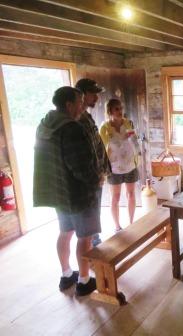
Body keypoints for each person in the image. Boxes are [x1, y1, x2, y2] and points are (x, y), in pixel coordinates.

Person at [33, 86, 100, 296]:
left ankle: (66, 274)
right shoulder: (71, 128)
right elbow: (79, 165)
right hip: (78, 193)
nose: (82, 107)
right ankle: (84, 280)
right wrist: (96, 180)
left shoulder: (45, 125)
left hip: (58, 191)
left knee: (65, 232)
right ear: (69, 104)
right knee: (85, 237)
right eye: (79, 103)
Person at [75, 78, 111, 247]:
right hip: (89, 177)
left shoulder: (86, 116)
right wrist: (95, 175)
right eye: (93, 94)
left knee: (95, 211)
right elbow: (84, 153)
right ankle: (92, 246)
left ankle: (94, 240)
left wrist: (102, 170)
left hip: (96, 174)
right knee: (89, 213)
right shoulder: (77, 119)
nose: (97, 98)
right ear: (82, 95)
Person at [99, 98, 140, 232]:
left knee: (131, 193)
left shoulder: (129, 123)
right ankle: (117, 226)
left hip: (130, 165)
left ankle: (131, 222)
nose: (120, 111)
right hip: (114, 167)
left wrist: (138, 151)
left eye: (121, 108)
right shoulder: (104, 128)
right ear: (110, 111)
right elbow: (102, 148)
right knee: (115, 197)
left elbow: (134, 141)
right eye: (116, 109)